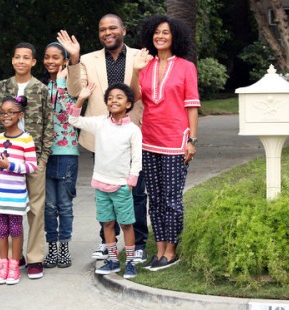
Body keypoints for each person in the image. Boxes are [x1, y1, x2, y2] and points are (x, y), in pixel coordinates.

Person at [57, 14, 149, 264]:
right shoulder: (86, 60)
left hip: (132, 132)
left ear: (124, 30)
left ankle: (138, 243)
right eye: (102, 29)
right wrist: (74, 59)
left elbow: (139, 95)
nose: (107, 33)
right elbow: (76, 91)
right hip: (103, 136)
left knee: (136, 193)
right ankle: (107, 242)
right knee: (105, 192)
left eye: (112, 28)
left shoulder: (141, 57)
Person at [0, 42, 54, 279]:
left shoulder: (41, 89)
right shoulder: (1, 87)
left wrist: (43, 157)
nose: (21, 61)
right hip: (6, 157)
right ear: (12, 60)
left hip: (32, 157)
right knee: (8, 209)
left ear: (33, 62)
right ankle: (15, 257)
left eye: (26, 57)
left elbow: (48, 124)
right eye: (17, 57)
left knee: (35, 209)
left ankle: (34, 258)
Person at [130, 15, 200, 271]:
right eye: (157, 32)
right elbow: (133, 96)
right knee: (155, 199)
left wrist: (191, 140)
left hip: (175, 142)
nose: (160, 36)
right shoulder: (145, 65)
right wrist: (136, 70)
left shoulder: (185, 67)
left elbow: (192, 106)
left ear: (175, 37)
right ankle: (159, 249)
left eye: (166, 33)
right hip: (149, 140)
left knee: (171, 199)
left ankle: (171, 251)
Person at [69, 82, 142, 279]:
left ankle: (131, 262)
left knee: (127, 225)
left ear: (128, 104)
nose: (113, 100)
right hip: (100, 185)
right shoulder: (100, 122)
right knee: (107, 224)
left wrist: (130, 183)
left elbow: (137, 160)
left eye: (119, 97)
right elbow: (74, 120)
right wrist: (82, 98)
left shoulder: (133, 131)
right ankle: (112, 261)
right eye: (110, 98)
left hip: (121, 187)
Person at [0, 96, 38, 285]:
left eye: (10, 112)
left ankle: (14, 267)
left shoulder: (26, 139)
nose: (6, 116)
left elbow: (32, 167)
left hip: (16, 196)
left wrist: (10, 165)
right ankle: (2, 267)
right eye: (2, 112)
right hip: (0, 195)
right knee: (2, 232)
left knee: (16, 231)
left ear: (20, 115)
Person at [41, 42, 78, 269]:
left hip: (66, 154)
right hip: (46, 154)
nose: (50, 61)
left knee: (64, 205)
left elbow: (70, 112)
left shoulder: (71, 85)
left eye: (56, 57)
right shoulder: (43, 87)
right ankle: (51, 248)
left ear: (64, 61)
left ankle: (64, 248)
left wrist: (63, 82)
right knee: (48, 205)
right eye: (47, 57)